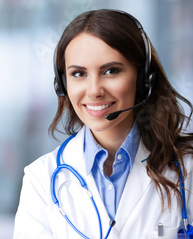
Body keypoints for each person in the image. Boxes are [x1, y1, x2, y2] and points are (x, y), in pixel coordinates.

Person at [14, 9, 193, 239]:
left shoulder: (187, 168)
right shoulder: (40, 180)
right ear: (62, 84)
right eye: (79, 74)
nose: (94, 90)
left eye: (111, 71)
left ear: (143, 78)